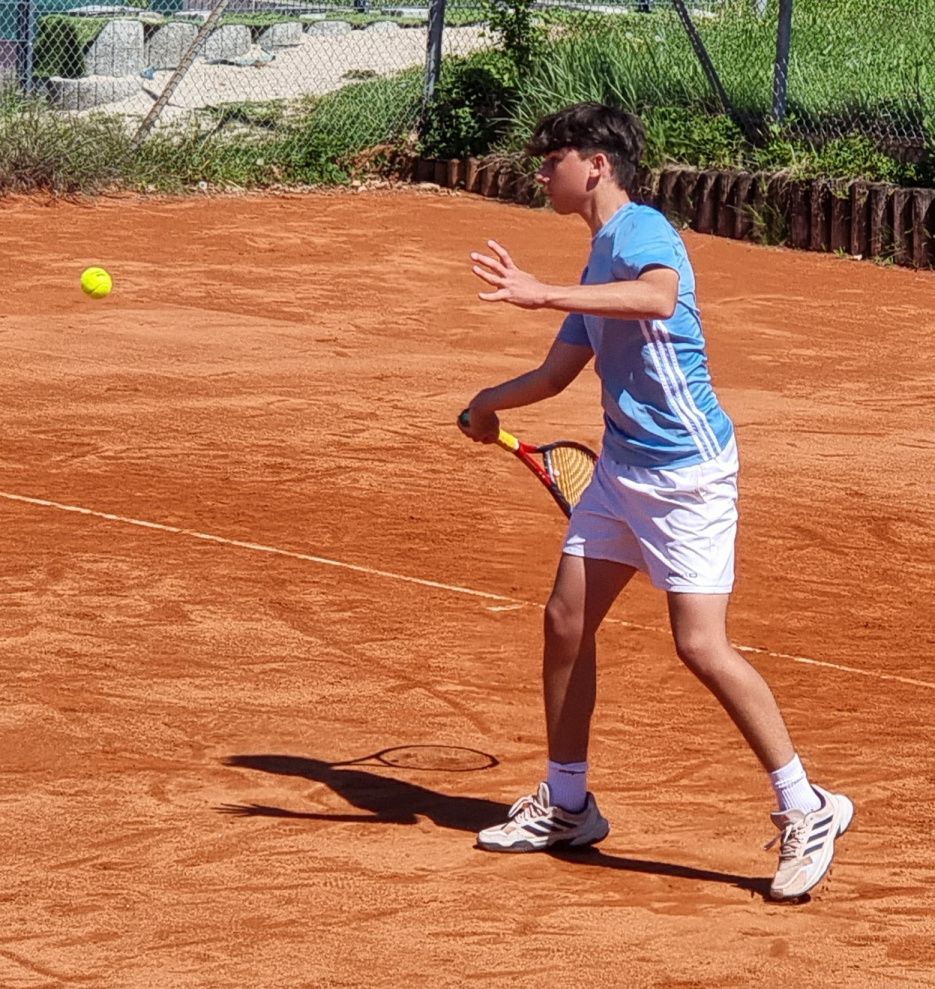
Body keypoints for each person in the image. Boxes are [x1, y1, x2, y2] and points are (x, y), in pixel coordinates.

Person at [458, 101, 852, 901]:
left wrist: (541, 293)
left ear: (595, 165)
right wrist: (487, 402)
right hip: (621, 470)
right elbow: (556, 374)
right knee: (565, 620)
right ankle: (567, 801)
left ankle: (806, 803)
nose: (542, 174)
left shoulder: (642, 231)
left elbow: (658, 299)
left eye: (553, 160)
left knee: (699, 645)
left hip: (686, 475)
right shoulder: (597, 260)